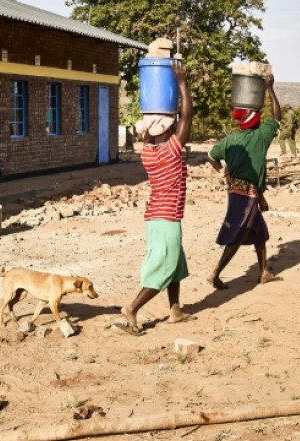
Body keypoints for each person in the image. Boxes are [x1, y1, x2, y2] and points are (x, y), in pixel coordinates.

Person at [120, 61, 193, 334]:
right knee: (164, 266)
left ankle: (175, 311)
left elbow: (169, 126)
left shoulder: (147, 151)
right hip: (165, 218)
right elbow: (187, 117)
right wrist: (181, 83)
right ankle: (132, 308)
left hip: (156, 217)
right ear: (167, 132)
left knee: (175, 265)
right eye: (171, 127)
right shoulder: (171, 150)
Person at [207, 75, 282, 288]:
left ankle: (264, 272)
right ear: (256, 119)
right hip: (247, 195)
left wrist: (224, 172)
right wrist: (269, 88)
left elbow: (211, 156)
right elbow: (277, 117)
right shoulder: (260, 137)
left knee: (260, 233)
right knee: (237, 234)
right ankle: (215, 274)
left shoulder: (230, 140)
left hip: (238, 192)